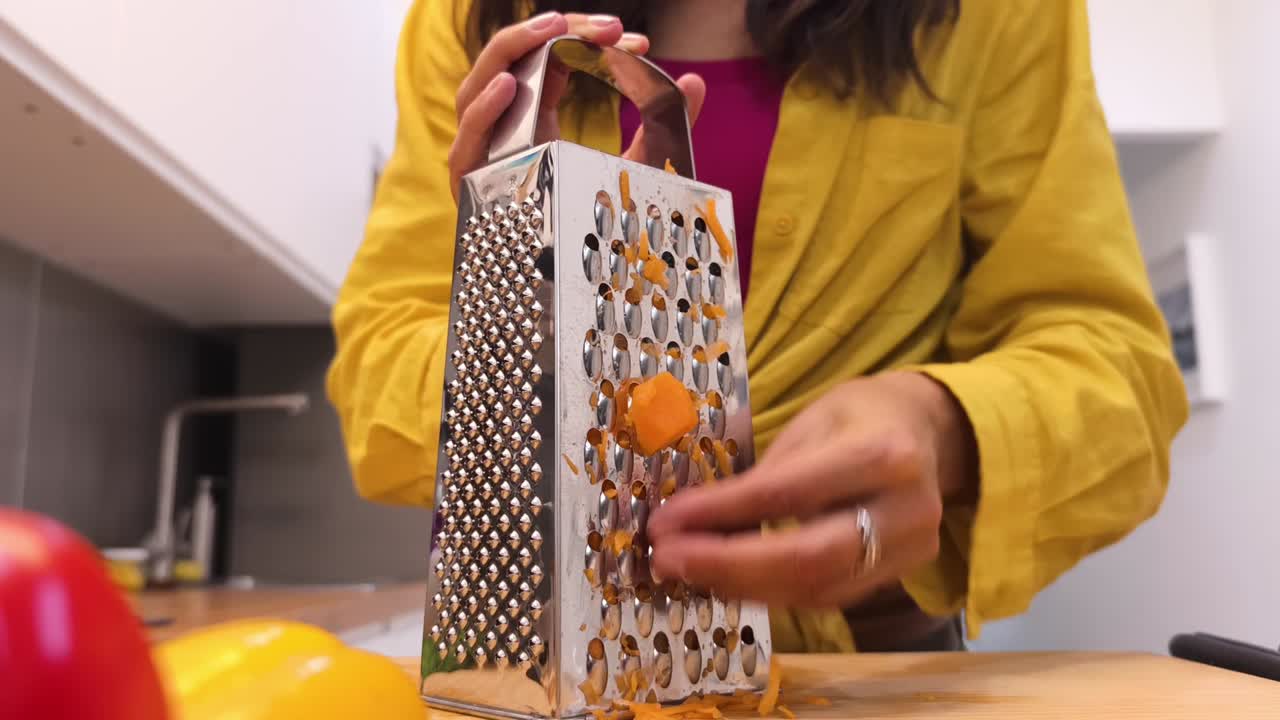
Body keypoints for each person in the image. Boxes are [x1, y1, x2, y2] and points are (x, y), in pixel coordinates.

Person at [327, 0, 1188, 653]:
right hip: (543, 649)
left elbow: (1114, 363)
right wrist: (535, 293)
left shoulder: (1003, 17)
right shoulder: (474, 19)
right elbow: (380, 370)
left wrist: (945, 425)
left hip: (868, 663)